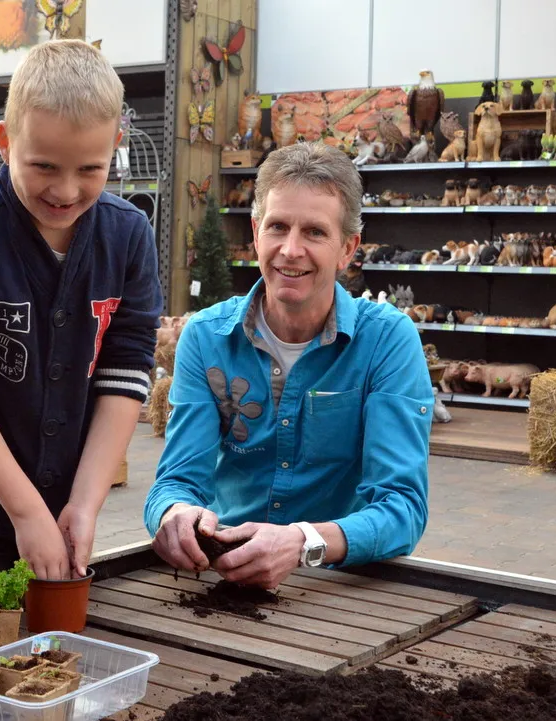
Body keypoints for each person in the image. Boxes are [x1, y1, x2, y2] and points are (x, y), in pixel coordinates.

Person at [0, 40, 162, 583]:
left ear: (116, 146)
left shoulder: (129, 236)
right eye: (43, 165)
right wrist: (25, 511)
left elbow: (125, 374)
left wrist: (87, 502)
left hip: (72, 500)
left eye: (90, 169)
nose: (66, 190)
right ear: (4, 141)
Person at [144, 142, 432, 590]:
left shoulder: (387, 342)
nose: (291, 250)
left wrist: (302, 541)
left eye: (315, 232)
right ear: (257, 232)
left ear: (347, 248)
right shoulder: (206, 336)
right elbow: (177, 481)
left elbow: (402, 508)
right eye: (278, 227)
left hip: (337, 584)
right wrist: (177, 514)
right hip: (223, 576)